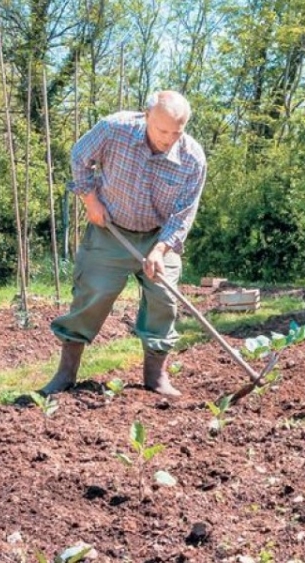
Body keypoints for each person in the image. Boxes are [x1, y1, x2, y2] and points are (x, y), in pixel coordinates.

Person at [40, 90, 206, 397]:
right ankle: (65, 374)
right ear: (146, 118)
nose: (168, 138)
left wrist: (160, 250)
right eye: (162, 130)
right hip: (110, 229)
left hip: (158, 236)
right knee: (93, 293)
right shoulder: (114, 128)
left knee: (165, 300)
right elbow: (80, 156)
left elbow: (184, 214)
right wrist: (90, 199)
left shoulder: (192, 159)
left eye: (176, 132)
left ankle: (155, 377)